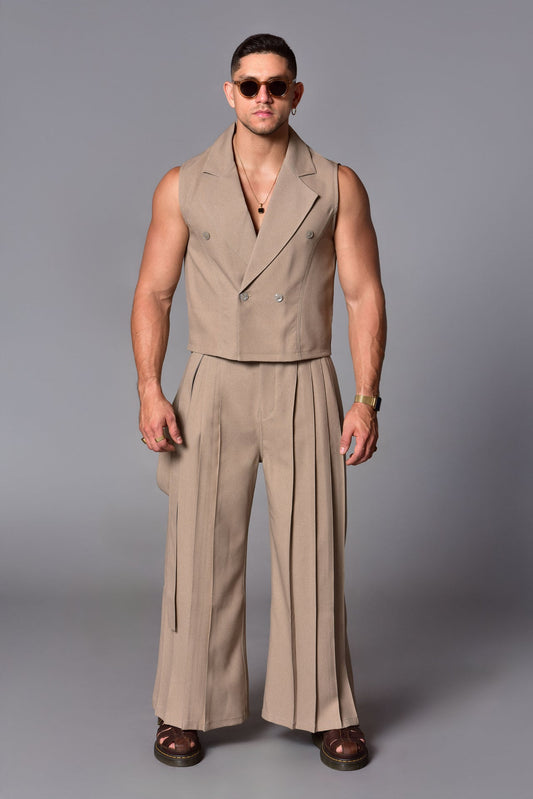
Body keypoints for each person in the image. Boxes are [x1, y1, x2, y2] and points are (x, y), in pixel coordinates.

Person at [131, 33, 386, 772]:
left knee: (313, 552)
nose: (263, 97)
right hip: (211, 381)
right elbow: (153, 292)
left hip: (303, 376)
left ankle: (325, 708)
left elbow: (363, 294)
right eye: (250, 85)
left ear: (296, 94)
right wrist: (149, 388)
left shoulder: (336, 183)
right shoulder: (183, 183)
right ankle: (185, 706)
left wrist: (366, 398)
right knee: (199, 554)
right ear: (230, 92)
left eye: (277, 85)